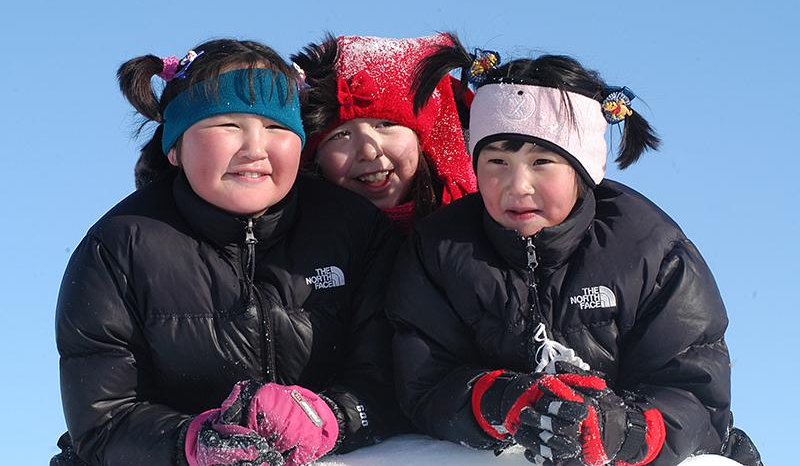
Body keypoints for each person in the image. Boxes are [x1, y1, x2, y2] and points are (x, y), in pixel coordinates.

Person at [385, 35, 762, 465]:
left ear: (582, 170)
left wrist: (621, 427)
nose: (517, 185)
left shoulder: (649, 251)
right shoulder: (440, 250)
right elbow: (423, 382)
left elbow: (696, 391)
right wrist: (501, 400)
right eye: (496, 162)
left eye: (542, 162)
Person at [52, 38, 404, 466]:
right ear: (175, 147)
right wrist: (193, 441)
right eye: (227, 125)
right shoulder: (118, 248)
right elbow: (103, 422)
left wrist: (331, 415)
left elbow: (397, 374)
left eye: (276, 128)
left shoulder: (354, 229)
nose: (255, 148)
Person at [290, 34, 477, 232]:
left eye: (385, 125)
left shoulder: (480, 228)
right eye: (341, 135)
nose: (369, 152)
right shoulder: (295, 250)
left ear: (421, 138)